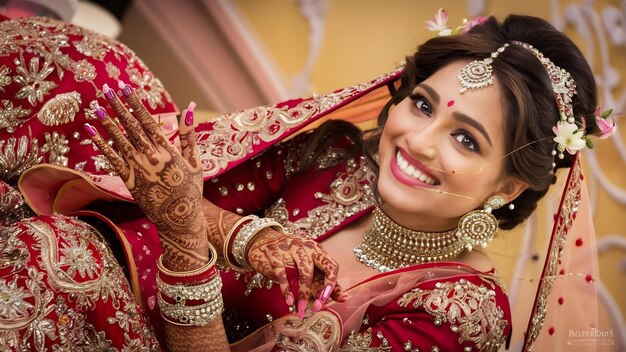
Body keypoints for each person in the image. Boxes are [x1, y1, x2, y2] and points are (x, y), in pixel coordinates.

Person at [0, 10, 612, 352]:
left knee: (43, 261)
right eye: (424, 106)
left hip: (107, 313)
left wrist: (191, 243)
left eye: (465, 139)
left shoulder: (458, 315)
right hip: (107, 262)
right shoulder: (337, 157)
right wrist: (242, 236)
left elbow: (183, 219)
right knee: (92, 71)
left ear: (506, 188)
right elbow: (181, 192)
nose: (418, 142)